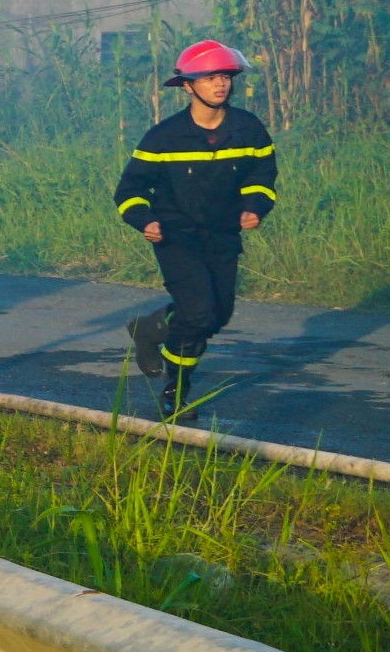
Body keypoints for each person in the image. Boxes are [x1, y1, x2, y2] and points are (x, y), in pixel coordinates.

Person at [115, 40, 276, 417]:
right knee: (198, 314)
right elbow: (130, 190)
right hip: (176, 237)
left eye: (224, 77)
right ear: (187, 86)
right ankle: (175, 393)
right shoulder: (164, 137)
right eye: (208, 78)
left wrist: (255, 207)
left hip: (222, 237)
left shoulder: (248, 129)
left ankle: (152, 327)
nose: (219, 84)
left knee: (218, 315)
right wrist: (146, 221)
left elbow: (262, 176)